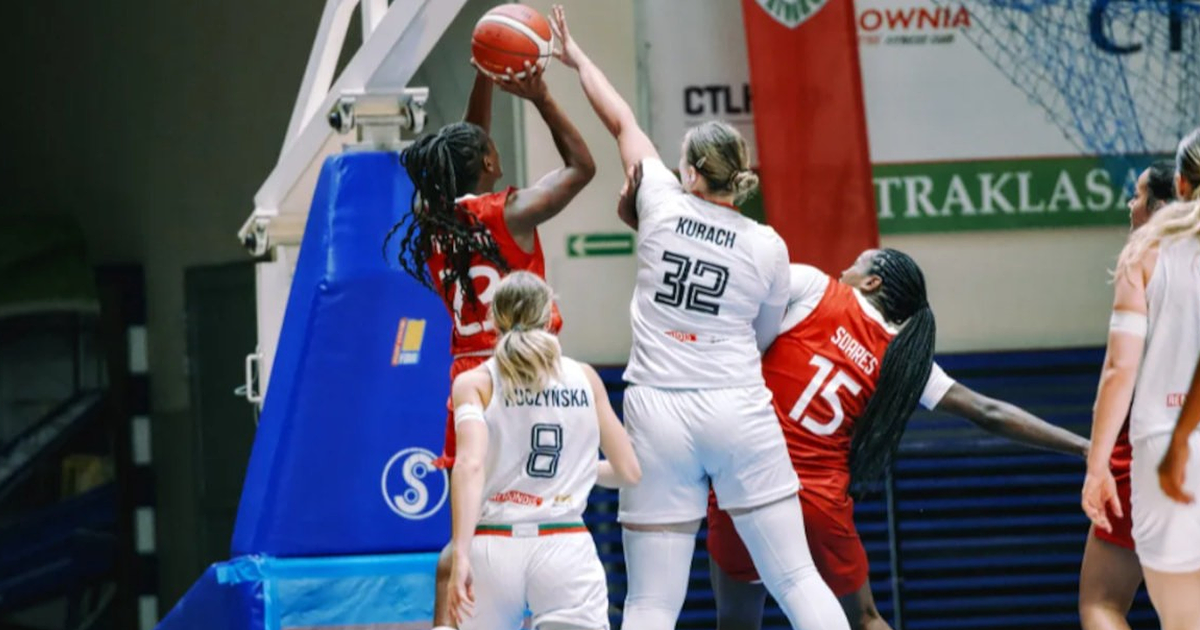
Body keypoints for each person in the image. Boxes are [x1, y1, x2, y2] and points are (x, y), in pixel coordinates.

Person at [550, 6, 850, 629]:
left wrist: (577, 58)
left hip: (657, 412)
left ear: (688, 172)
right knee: (795, 578)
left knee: (652, 602)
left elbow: (620, 120)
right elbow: (764, 335)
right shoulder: (767, 244)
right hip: (736, 404)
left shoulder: (657, 200)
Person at [704, 251, 1090, 630]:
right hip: (818, 500)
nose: (843, 267)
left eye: (856, 264)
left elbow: (734, 286)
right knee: (865, 619)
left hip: (747, 475)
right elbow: (989, 412)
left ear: (873, 282)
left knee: (736, 621)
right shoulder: (903, 361)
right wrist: (1085, 447)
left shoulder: (815, 288)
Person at [386, 65, 595, 629]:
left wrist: (480, 78)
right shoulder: (511, 212)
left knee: (476, 532)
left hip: (468, 381)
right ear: (487, 164)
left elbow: (464, 156)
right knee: (542, 517)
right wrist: (540, 97)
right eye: (489, 149)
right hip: (524, 377)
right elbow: (584, 167)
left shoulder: (434, 223)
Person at [445, 272, 641, 630]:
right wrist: (576, 469)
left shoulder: (474, 382)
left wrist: (459, 555)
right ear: (550, 315)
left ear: (494, 319)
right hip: (564, 544)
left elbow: (470, 466)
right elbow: (628, 471)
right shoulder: (585, 377)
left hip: (494, 543)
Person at [1082, 128, 1200, 630]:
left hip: (1159, 444)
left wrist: (1096, 464)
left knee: (1110, 604)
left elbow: (1119, 368)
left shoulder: (1146, 252)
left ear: (1179, 182)